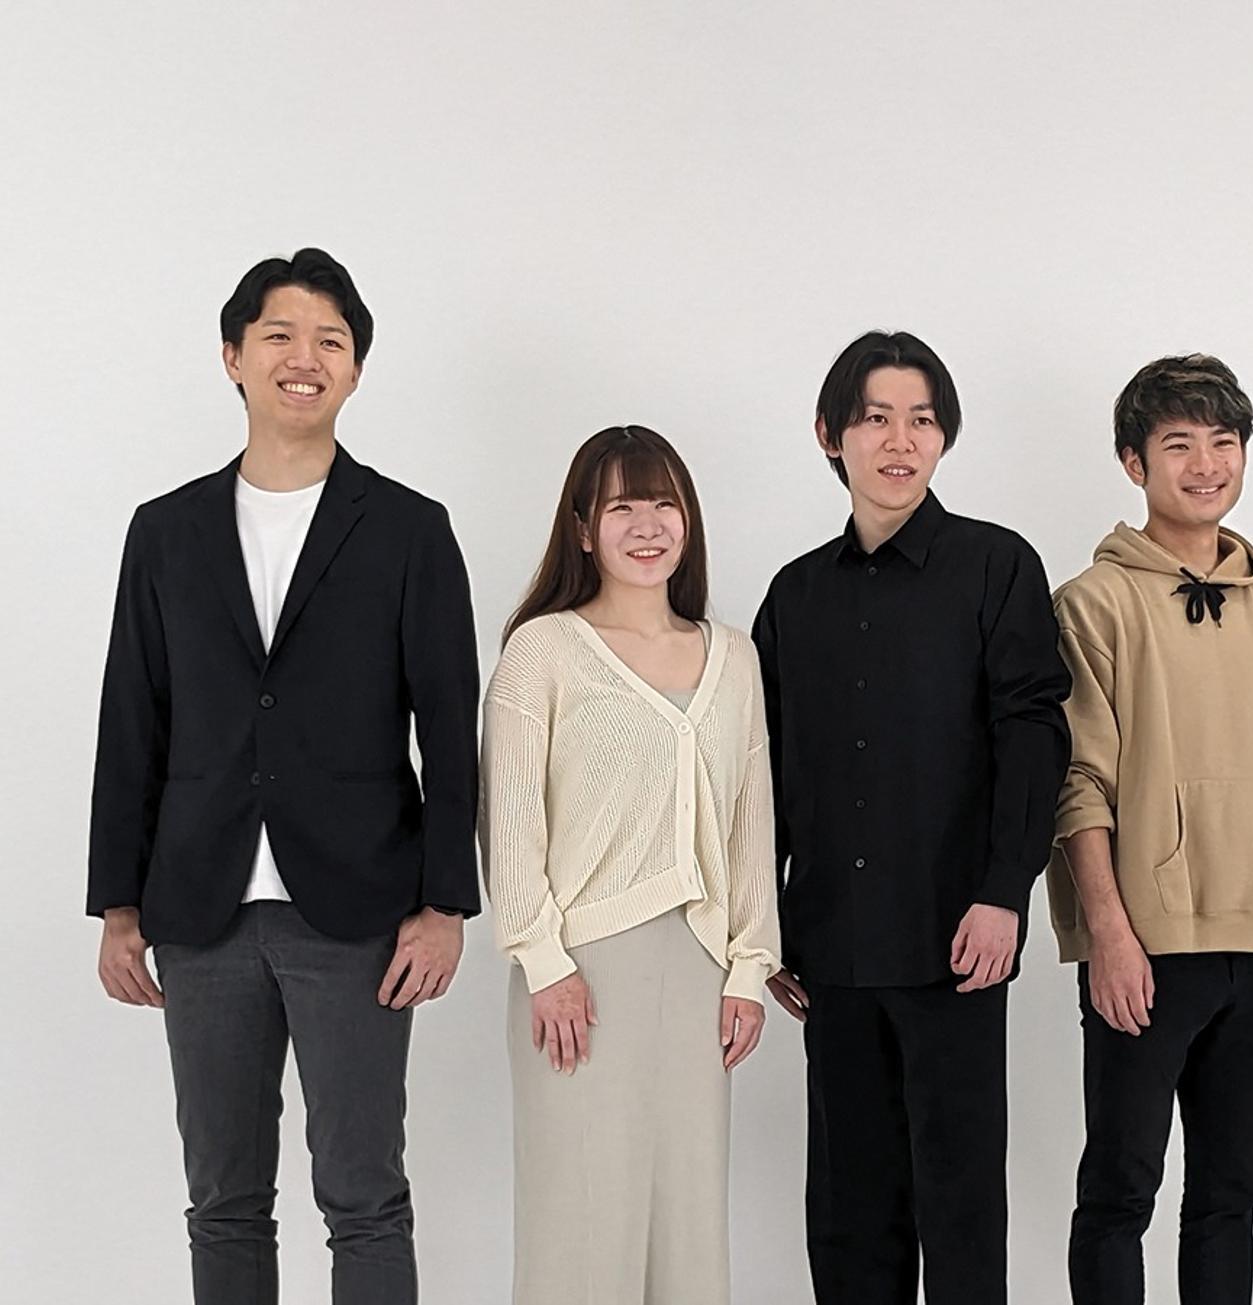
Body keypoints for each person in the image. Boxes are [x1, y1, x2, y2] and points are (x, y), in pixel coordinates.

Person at [87, 248, 480, 1304]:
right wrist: (118, 906)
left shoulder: (409, 529)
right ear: (234, 357)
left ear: (354, 370)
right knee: (222, 1199)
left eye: (330, 342)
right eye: (280, 336)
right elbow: (132, 721)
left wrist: (446, 904)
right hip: (199, 908)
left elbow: (451, 731)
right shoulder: (165, 531)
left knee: (365, 1198)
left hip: (357, 910)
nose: (305, 358)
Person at [752, 330, 1071, 1305]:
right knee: (850, 1215)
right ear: (830, 433)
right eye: (876, 418)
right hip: (831, 953)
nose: (901, 441)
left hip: (956, 943)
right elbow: (761, 773)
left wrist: (1003, 892)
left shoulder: (995, 565)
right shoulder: (794, 594)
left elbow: (1034, 738)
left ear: (944, 437)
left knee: (961, 1208)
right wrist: (761, 925)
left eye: (922, 420)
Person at [1049, 354, 1253, 1304]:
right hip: (1146, 946)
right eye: (1178, 444)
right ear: (1135, 462)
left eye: (1223, 441)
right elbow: (1078, 781)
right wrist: (1108, 933)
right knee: (1119, 1191)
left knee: (1230, 1196)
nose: (1205, 464)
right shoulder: (1092, 603)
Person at [479, 425, 781, 1304]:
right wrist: (543, 963)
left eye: (663, 504)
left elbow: (750, 821)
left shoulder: (734, 656)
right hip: (579, 976)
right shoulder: (542, 650)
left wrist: (749, 969)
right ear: (583, 528)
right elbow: (509, 821)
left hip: (701, 975)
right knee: (579, 1228)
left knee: (688, 1230)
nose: (647, 526)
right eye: (621, 508)